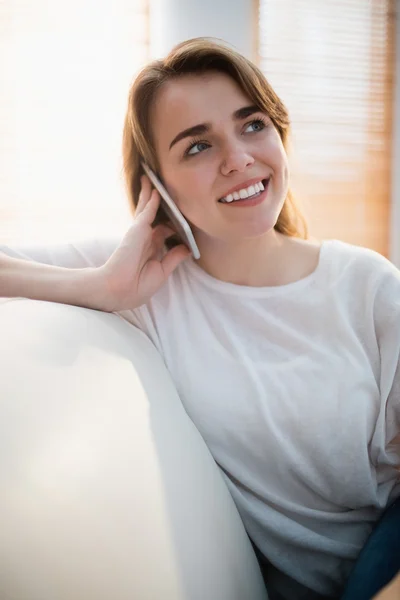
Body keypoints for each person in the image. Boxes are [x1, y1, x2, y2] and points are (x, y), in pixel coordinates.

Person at [1, 37, 400, 600]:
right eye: (197, 147)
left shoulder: (367, 285)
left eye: (252, 125)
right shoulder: (147, 280)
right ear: (155, 186)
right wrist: (96, 286)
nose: (238, 158)